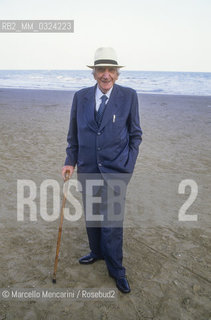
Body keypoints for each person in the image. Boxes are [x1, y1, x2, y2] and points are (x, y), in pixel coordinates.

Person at [62, 47, 142, 293]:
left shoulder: (129, 96)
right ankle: (96, 252)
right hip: (87, 169)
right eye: (100, 70)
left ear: (117, 74)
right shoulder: (81, 97)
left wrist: (127, 164)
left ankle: (116, 270)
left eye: (110, 70)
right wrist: (69, 160)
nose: (105, 75)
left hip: (117, 170)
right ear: (94, 73)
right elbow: (73, 135)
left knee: (112, 223)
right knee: (93, 216)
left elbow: (135, 134)